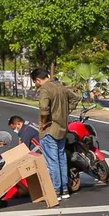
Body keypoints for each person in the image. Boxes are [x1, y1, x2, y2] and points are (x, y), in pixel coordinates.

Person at [32, 68, 76, 199]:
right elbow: (75, 98)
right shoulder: (60, 86)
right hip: (62, 128)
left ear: (37, 80)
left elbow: (44, 109)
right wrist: (66, 112)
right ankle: (64, 190)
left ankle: (56, 191)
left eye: (36, 82)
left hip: (49, 130)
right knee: (61, 159)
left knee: (52, 162)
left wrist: (44, 122)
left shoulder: (45, 89)